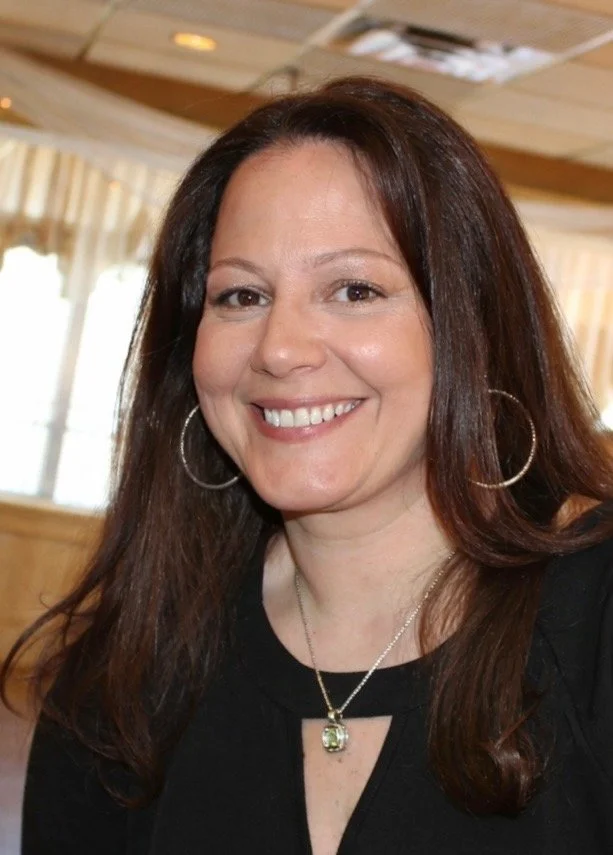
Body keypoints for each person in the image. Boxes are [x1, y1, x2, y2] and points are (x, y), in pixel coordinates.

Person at [3, 75, 613, 855]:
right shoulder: (121, 683)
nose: (280, 348)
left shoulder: (591, 626)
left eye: (353, 288)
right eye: (240, 296)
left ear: (472, 327)